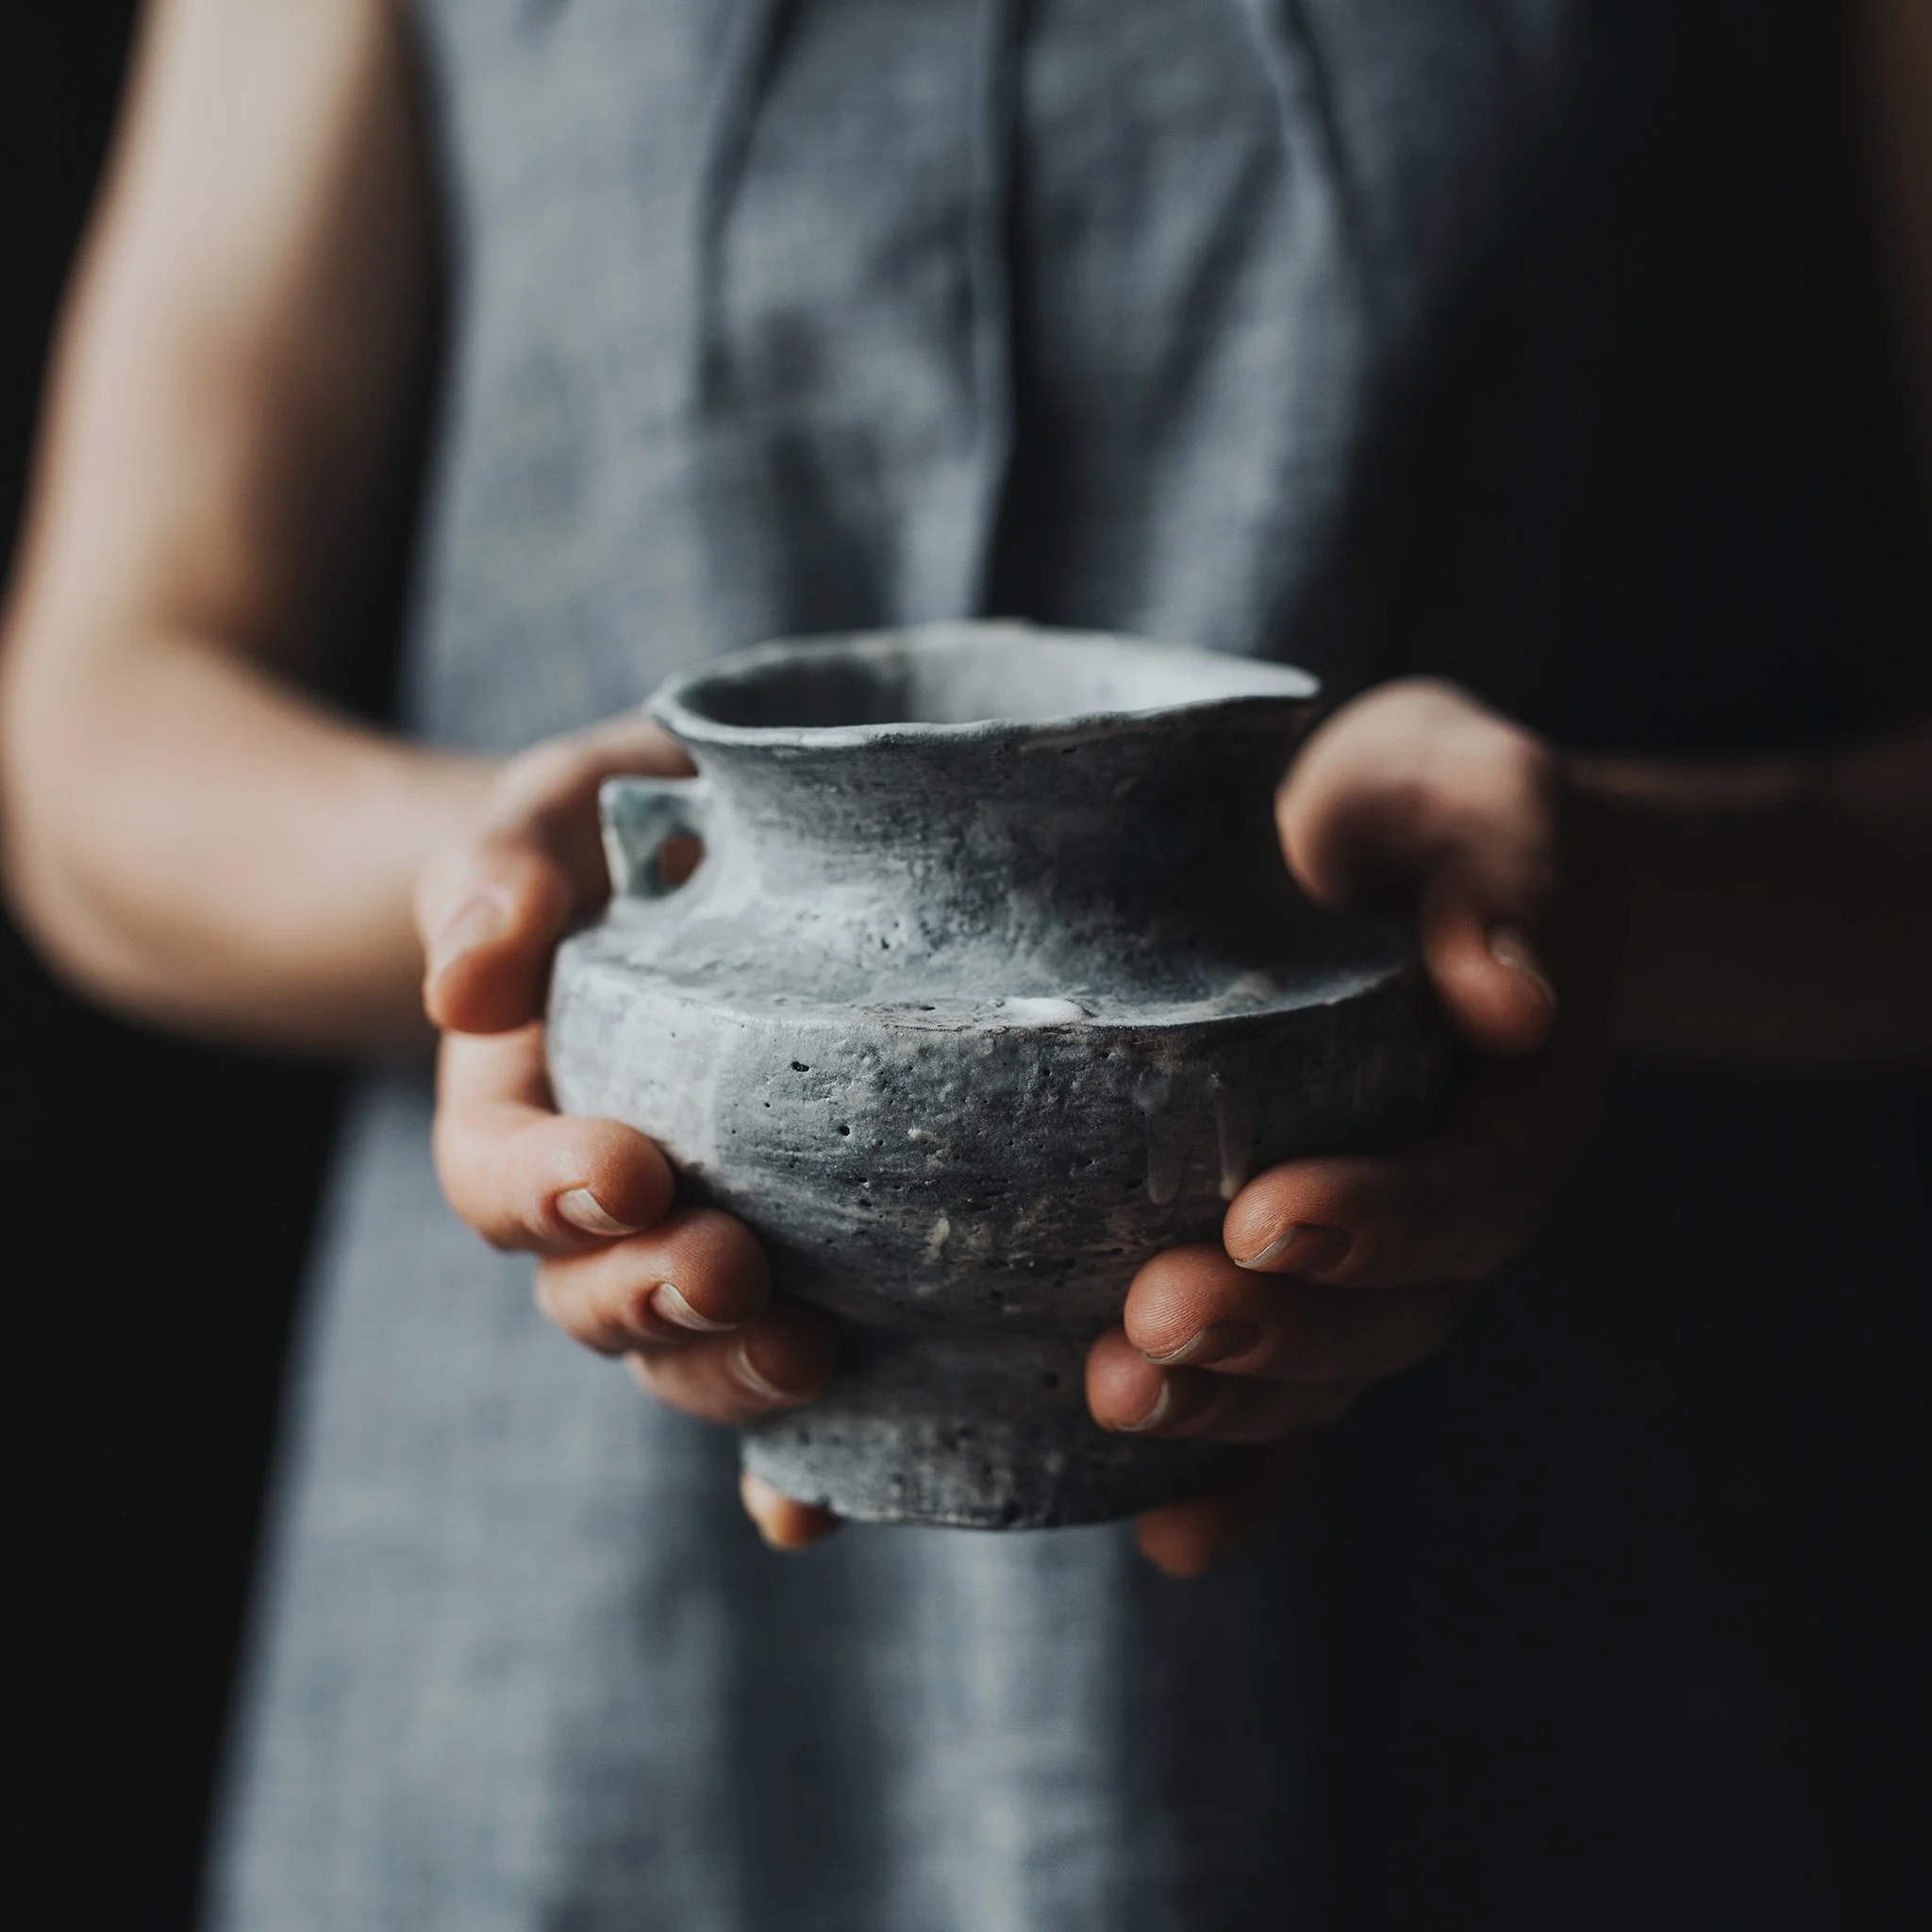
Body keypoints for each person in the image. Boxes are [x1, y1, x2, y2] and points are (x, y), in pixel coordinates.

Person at [2, 0, 1927, 1924]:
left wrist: (1592, 892)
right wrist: (529, 914)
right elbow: (97, 731)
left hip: (1564, 1553)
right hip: (571, 1575)